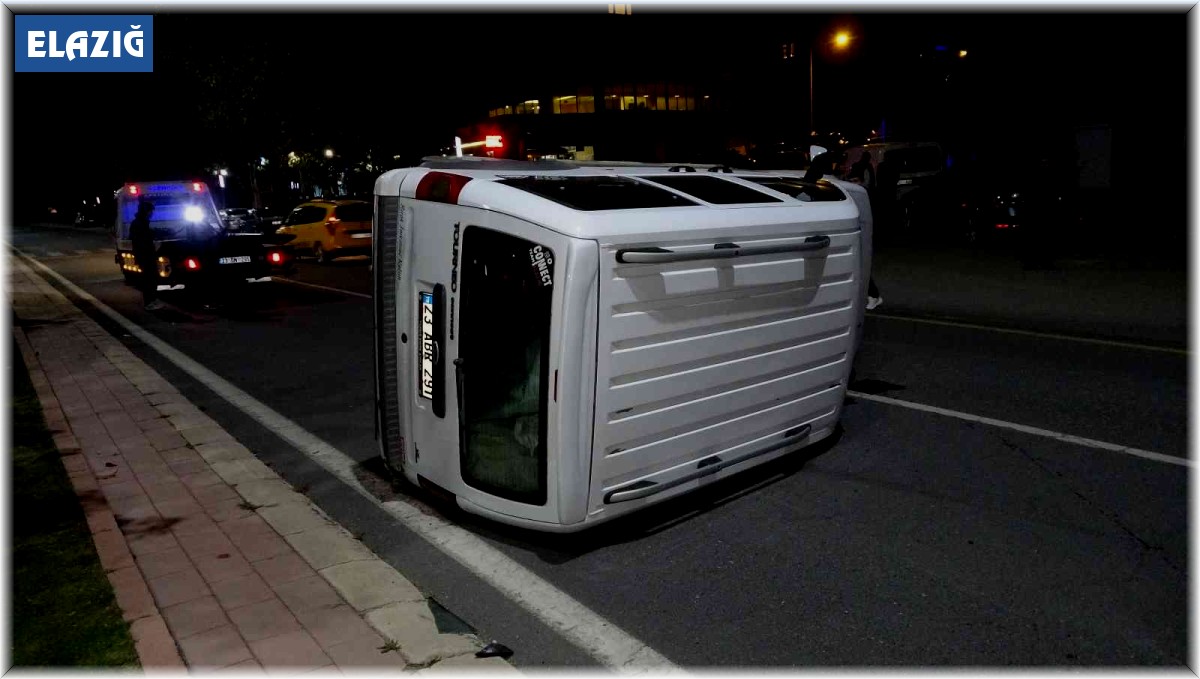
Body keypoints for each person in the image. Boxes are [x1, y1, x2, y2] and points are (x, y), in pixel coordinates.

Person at [130, 198, 166, 311]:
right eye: (151, 211)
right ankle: (149, 302)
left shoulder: (141, 223)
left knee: (152, 279)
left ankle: (153, 300)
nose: (152, 213)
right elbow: (141, 241)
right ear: (146, 211)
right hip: (145, 256)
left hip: (147, 255)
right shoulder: (139, 224)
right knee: (148, 280)